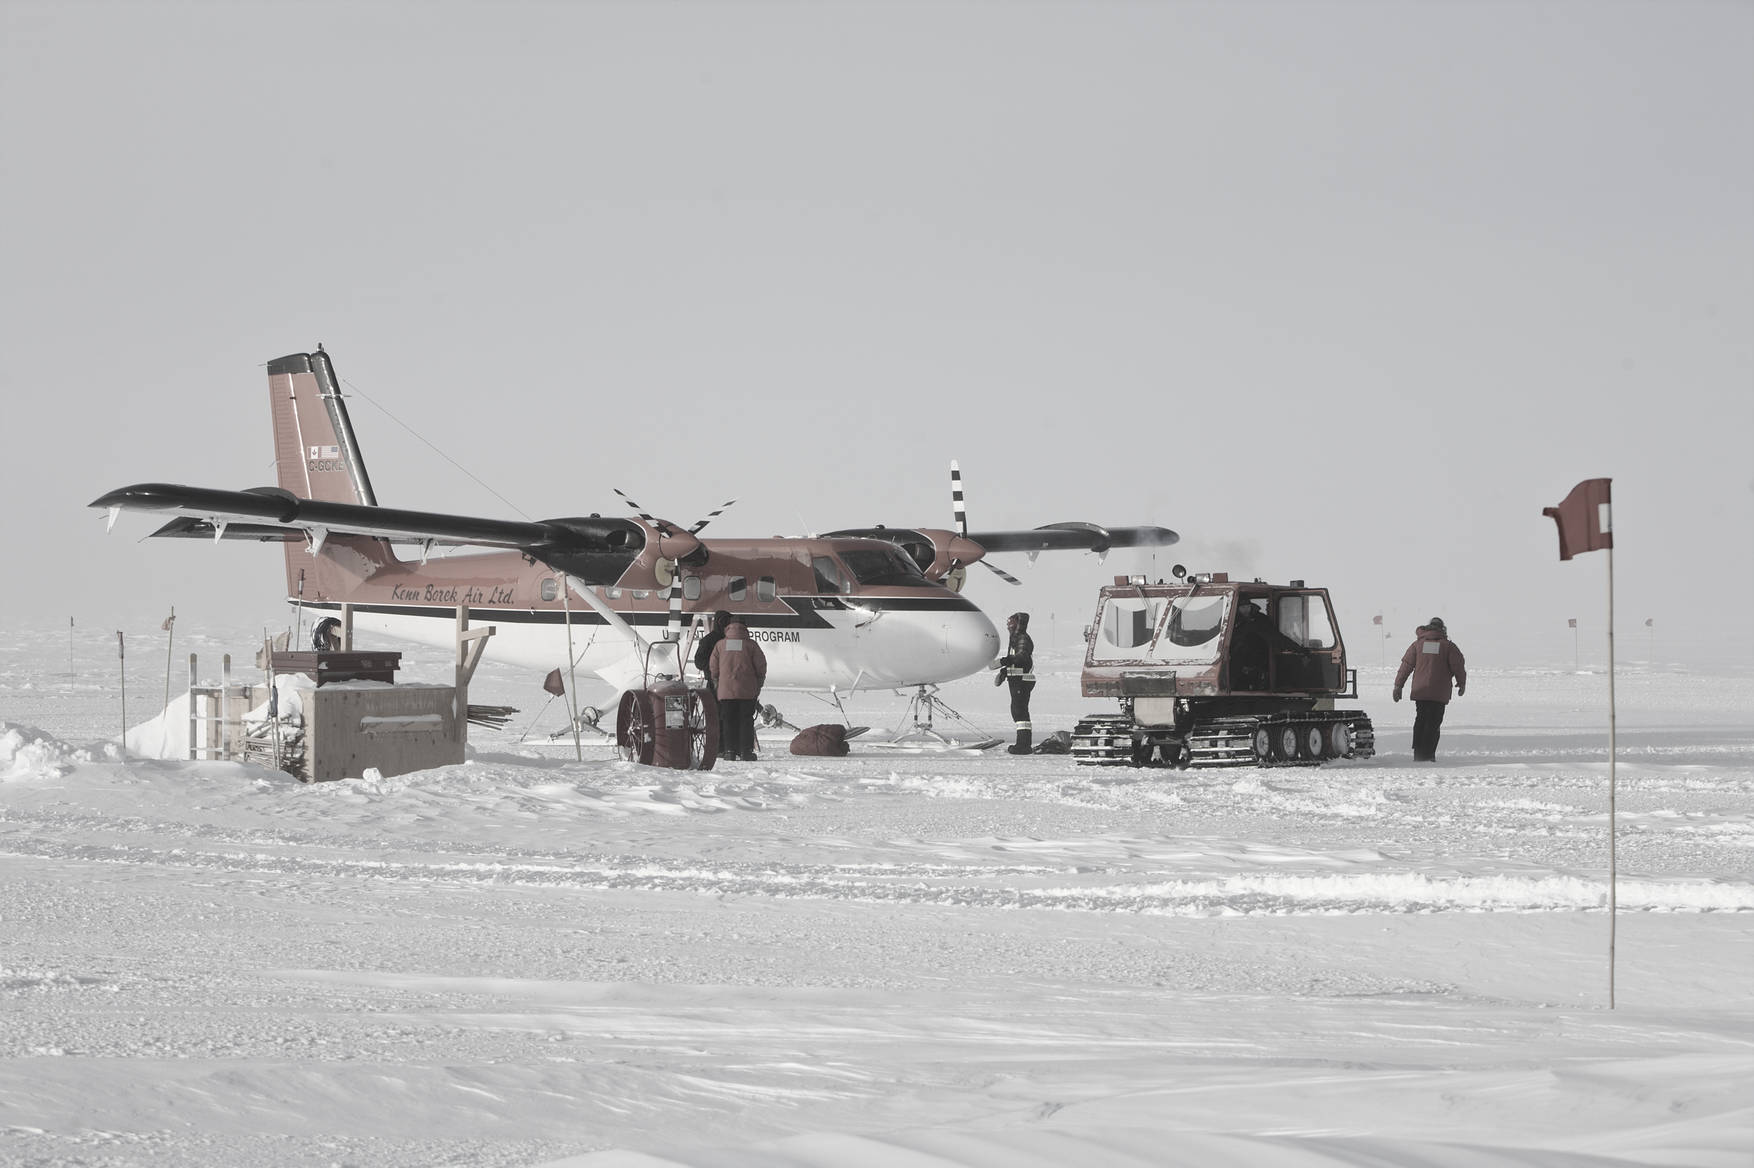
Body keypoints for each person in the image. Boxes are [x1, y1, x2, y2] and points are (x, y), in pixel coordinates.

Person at [1393, 616, 1467, 762]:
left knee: (1420, 719)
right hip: (1439, 693)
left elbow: (1405, 666)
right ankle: (1428, 755)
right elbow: (1458, 666)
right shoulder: (1448, 646)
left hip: (1420, 691)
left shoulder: (1417, 645)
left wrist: (1398, 685)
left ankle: (1419, 753)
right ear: (1442, 629)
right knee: (1433, 723)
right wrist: (1461, 683)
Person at [708, 618, 768, 761]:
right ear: (745, 628)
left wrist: (717, 683)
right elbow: (761, 667)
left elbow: (713, 668)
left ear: (728, 628)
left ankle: (729, 751)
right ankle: (746, 751)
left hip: (726, 691)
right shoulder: (751, 645)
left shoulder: (720, 645)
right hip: (747, 691)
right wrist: (758, 684)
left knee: (728, 720)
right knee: (746, 720)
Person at [693, 610, 734, 748]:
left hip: (720, 683)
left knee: (721, 715)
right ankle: (723, 746)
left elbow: (699, 662)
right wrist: (715, 669)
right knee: (721, 715)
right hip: (718, 683)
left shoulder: (713, 640)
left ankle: (722, 746)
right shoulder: (712, 640)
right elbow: (699, 661)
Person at [996, 612, 1035, 754]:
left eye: (1010, 623)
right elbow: (1016, 660)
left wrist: (1006, 661)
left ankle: (1023, 745)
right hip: (1016, 680)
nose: (1008, 626)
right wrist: (1005, 671)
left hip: (1023, 681)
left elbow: (1022, 657)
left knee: (1020, 712)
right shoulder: (1015, 639)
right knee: (1017, 711)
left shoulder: (1022, 638)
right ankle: (1022, 743)